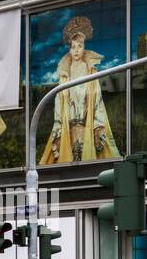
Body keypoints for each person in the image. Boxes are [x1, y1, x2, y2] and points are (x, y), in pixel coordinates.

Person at [39, 16, 121, 165]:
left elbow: (96, 99)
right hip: (68, 130)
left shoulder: (90, 71)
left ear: (84, 47)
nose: (76, 50)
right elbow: (59, 101)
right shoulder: (64, 73)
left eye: (79, 46)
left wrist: (97, 125)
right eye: (73, 46)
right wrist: (58, 126)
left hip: (86, 127)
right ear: (70, 49)